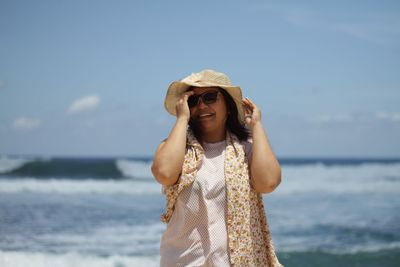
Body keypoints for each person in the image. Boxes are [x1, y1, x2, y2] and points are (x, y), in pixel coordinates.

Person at [151, 69, 283, 267]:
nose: (202, 105)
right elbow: (164, 174)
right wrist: (181, 120)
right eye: (193, 101)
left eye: (210, 96)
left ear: (228, 104)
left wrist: (256, 126)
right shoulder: (176, 147)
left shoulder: (246, 148)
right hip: (184, 261)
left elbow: (268, 183)